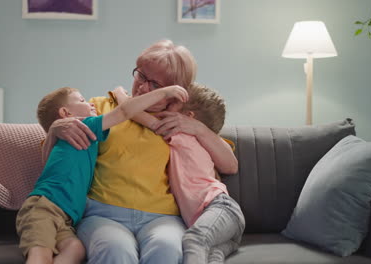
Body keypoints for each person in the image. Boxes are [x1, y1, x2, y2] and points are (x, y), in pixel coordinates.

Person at [44, 39, 238, 263]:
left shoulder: (179, 122)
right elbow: (57, 160)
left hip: (162, 217)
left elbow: (230, 165)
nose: (144, 88)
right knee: (115, 249)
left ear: (176, 91)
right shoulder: (101, 108)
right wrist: (54, 130)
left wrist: (198, 128)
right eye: (141, 76)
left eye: (156, 85)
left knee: (167, 248)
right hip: (103, 214)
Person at [16, 85, 189, 264]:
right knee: (40, 257)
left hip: (67, 217)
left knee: (75, 250)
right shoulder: (83, 125)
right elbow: (123, 112)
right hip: (44, 208)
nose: (90, 103)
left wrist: (121, 94)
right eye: (82, 100)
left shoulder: (80, 136)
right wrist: (164, 92)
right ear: (66, 113)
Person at [115, 83, 246, 263]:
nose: (168, 103)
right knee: (212, 256)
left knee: (194, 240)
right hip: (219, 226)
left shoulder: (182, 135)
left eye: (174, 103)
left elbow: (134, 113)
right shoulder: (194, 138)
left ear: (187, 117)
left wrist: (121, 96)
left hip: (219, 208)